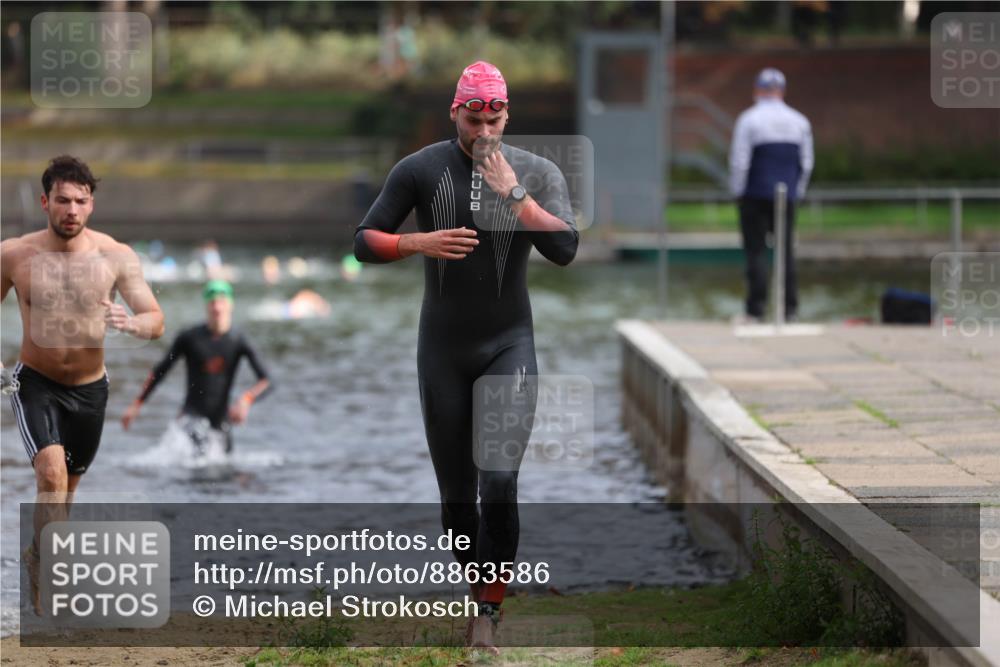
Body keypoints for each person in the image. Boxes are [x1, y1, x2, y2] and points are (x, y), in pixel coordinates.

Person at [354, 60, 578, 652]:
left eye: (494, 119)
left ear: (508, 115)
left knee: (499, 480)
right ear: (455, 112)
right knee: (457, 495)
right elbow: (363, 242)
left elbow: (565, 248)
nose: (484, 132)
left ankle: (489, 613)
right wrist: (416, 242)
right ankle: (474, 594)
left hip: (510, 344)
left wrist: (515, 195)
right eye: (473, 119)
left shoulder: (536, 171)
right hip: (443, 353)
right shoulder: (421, 169)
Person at [0, 155, 165, 614]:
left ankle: (41, 560)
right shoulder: (14, 254)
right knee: (49, 475)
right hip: (35, 382)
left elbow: (156, 319)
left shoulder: (116, 256)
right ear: (45, 202)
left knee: (65, 497)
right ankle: (50, 598)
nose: (71, 209)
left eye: (80, 201)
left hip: (91, 390)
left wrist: (132, 324)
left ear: (91, 205)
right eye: (62, 200)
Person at [121, 280, 272, 454]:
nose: (217, 307)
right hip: (191, 416)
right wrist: (137, 404)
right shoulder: (189, 337)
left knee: (225, 469)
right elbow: (161, 371)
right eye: (212, 301)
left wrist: (246, 399)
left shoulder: (238, 341)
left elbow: (268, 379)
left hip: (221, 420)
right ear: (207, 305)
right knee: (200, 457)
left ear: (230, 304)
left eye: (221, 301)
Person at [728, 67, 814, 322]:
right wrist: (797, 192)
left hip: (754, 195)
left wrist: (737, 191)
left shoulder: (749, 119)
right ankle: (790, 310)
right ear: (782, 91)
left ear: (757, 90)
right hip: (786, 196)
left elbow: (739, 161)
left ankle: (756, 310)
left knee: (756, 252)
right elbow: (806, 163)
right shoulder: (800, 121)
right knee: (785, 252)